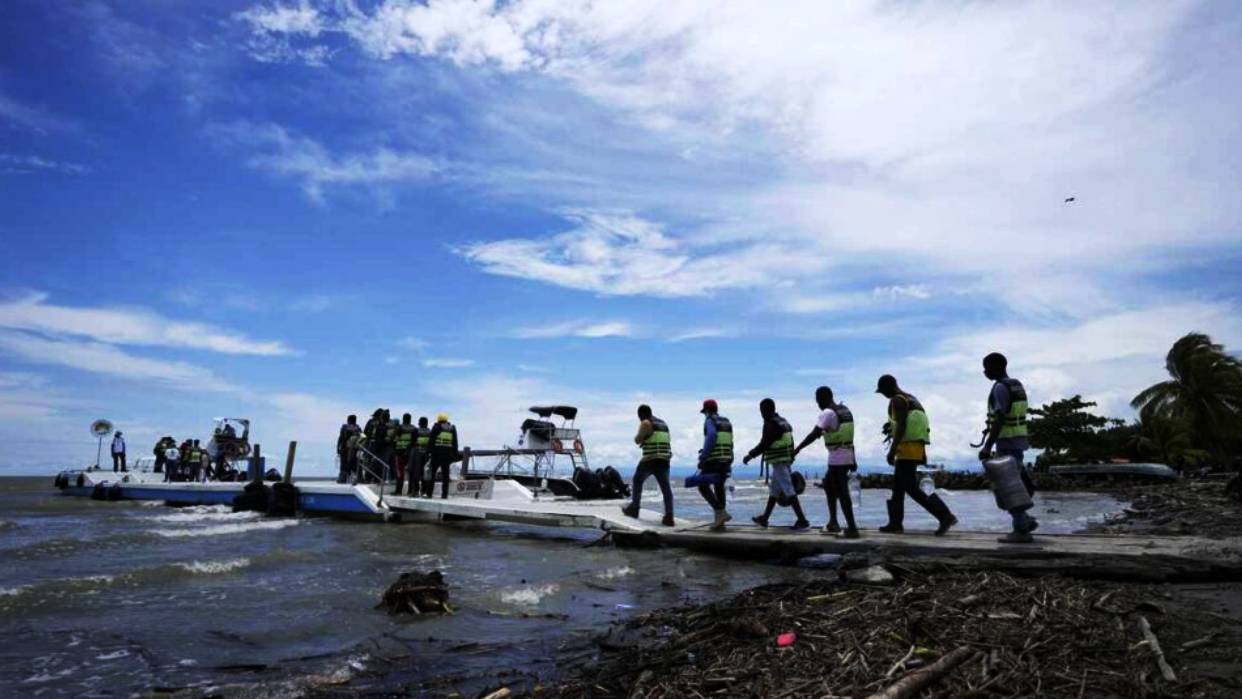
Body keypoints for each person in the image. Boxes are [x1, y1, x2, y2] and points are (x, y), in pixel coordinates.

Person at [876, 375, 957, 536]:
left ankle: (945, 516)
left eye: (882, 391)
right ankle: (895, 524)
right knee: (898, 488)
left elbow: (902, 426)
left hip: (906, 448)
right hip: (915, 448)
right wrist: (923, 453)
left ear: (887, 387)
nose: (883, 395)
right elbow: (921, 426)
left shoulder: (897, 400)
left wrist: (892, 450)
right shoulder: (912, 399)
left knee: (911, 488)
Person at [978, 352, 1038, 543]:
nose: (984, 372)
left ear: (995, 367)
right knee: (1021, 485)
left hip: (1007, 443)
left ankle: (1021, 530)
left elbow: (1000, 418)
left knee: (1009, 487)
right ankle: (1026, 521)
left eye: (986, 368)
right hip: (1018, 441)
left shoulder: (1000, 388)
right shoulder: (1016, 385)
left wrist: (987, 446)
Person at [794, 386, 861, 538]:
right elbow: (849, 435)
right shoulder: (845, 410)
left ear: (822, 398)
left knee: (842, 492)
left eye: (818, 401)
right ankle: (833, 522)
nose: (817, 404)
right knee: (829, 485)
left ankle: (852, 528)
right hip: (847, 455)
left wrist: (798, 449)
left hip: (838, 457)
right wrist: (854, 459)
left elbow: (815, 433)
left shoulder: (827, 413)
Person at [744, 398, 810, 530]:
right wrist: (792, 456)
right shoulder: (783, 422)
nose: (761, 414)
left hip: (779, 461)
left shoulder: (771, 424)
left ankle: (802, 520)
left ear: (767, 410)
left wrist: (750, 455)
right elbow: (791, 441)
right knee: (774, 491)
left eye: (762, 411)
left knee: (788, 490)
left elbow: (764, 444)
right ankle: (764, 519)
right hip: (783, 459)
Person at [621, 404, 676, 526]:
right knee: (666, 488)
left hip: (650, 459)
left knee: (637, 480)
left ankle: (634, 508)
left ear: (640, 414)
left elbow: (637, 440)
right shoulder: (663, 424)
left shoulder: (645, 423)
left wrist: (643, 436)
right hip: (664, 459)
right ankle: (669, 515)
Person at [695, 399, 733, 531]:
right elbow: (730, 442)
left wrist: (703, 457)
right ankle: (720, 522)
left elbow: (711, 436)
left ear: (706, 411)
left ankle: (720, 512)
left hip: (714, 460)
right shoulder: (726, 421)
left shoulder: (709, 420)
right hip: (726, 459)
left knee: (702, 485)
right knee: (719, 487)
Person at [426, 413, 459, 499]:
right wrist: (455, 454)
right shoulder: (452, 428)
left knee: (432, 474)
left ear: (439, 419)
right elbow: (455, 442)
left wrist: (428, 452)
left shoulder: (436, 427)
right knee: (445, 475)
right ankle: (444, 495)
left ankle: (429, 494)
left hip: (436, 454)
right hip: (447, 454)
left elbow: (431, 441)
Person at [392, 413, 417, 495]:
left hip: (400, 452)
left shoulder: (399, 428)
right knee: (411, 472)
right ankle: (410, 491)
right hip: (410, 453)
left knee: (400, 472)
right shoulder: (414, 428)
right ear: (410, 419)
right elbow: (414, 441)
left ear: (403, 419)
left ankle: (398, 491)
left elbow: (394, 439)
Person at [337, 415, 362, 484]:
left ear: (348, 420)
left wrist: (338, 448)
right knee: (353, 464)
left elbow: (341, 438)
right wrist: (359, 447)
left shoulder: (345, 427)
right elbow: (363, 437)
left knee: (343, 465)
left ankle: (342, 479)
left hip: (344, 449)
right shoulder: (358, 428)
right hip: (354, 449)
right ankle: (355, 479)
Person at [412, 417, 432, 497]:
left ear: (420, 423)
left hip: (417, 454)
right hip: (426, 454)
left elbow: (413, 443)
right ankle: (424, 491)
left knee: (416, 473)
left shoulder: (416, 431)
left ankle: (416, 491)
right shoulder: (430, 432)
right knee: (425, 473)